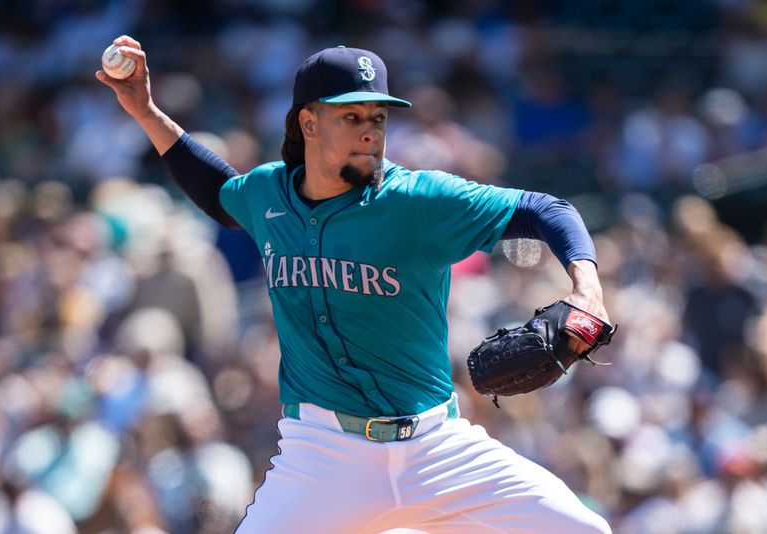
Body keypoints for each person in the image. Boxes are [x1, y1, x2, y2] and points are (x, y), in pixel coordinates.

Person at [97, 34, 612, 534]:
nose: (371, 130)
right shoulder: (268, 194)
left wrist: (586, 288)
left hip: (436, 445)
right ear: (308, 122)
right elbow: (217, 193)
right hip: (323, 455)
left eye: (378, 117)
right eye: (351, 116)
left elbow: (547, 210)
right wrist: (145, 111)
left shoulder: (418, 200)